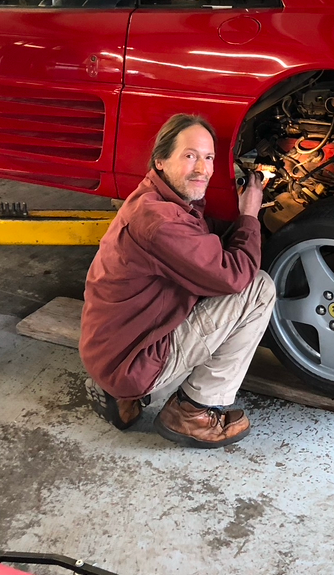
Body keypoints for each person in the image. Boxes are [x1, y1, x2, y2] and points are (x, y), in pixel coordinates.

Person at [79, 113, 276, 448]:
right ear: (160, 160)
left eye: (209, 157)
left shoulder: (153, 197)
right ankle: (192, 412)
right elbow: (232, 276)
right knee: (258, 287)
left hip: (109, 350)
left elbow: (202, 246)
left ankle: (123, 397)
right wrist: (249, 216)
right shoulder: (161, 222)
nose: (202, 169)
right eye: (189, 156)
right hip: (131, 361)